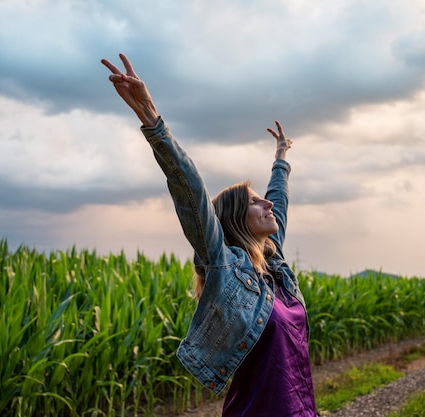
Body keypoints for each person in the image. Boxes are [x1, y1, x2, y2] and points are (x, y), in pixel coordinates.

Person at [101, 53, 317, 417]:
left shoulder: (274, 264)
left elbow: (277, 200)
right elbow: (192, 194)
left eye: (264, 200)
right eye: (253, 202)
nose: (266, 205)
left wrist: (281, 159)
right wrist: (153, 121)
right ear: (235, 221)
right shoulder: (224, 267)